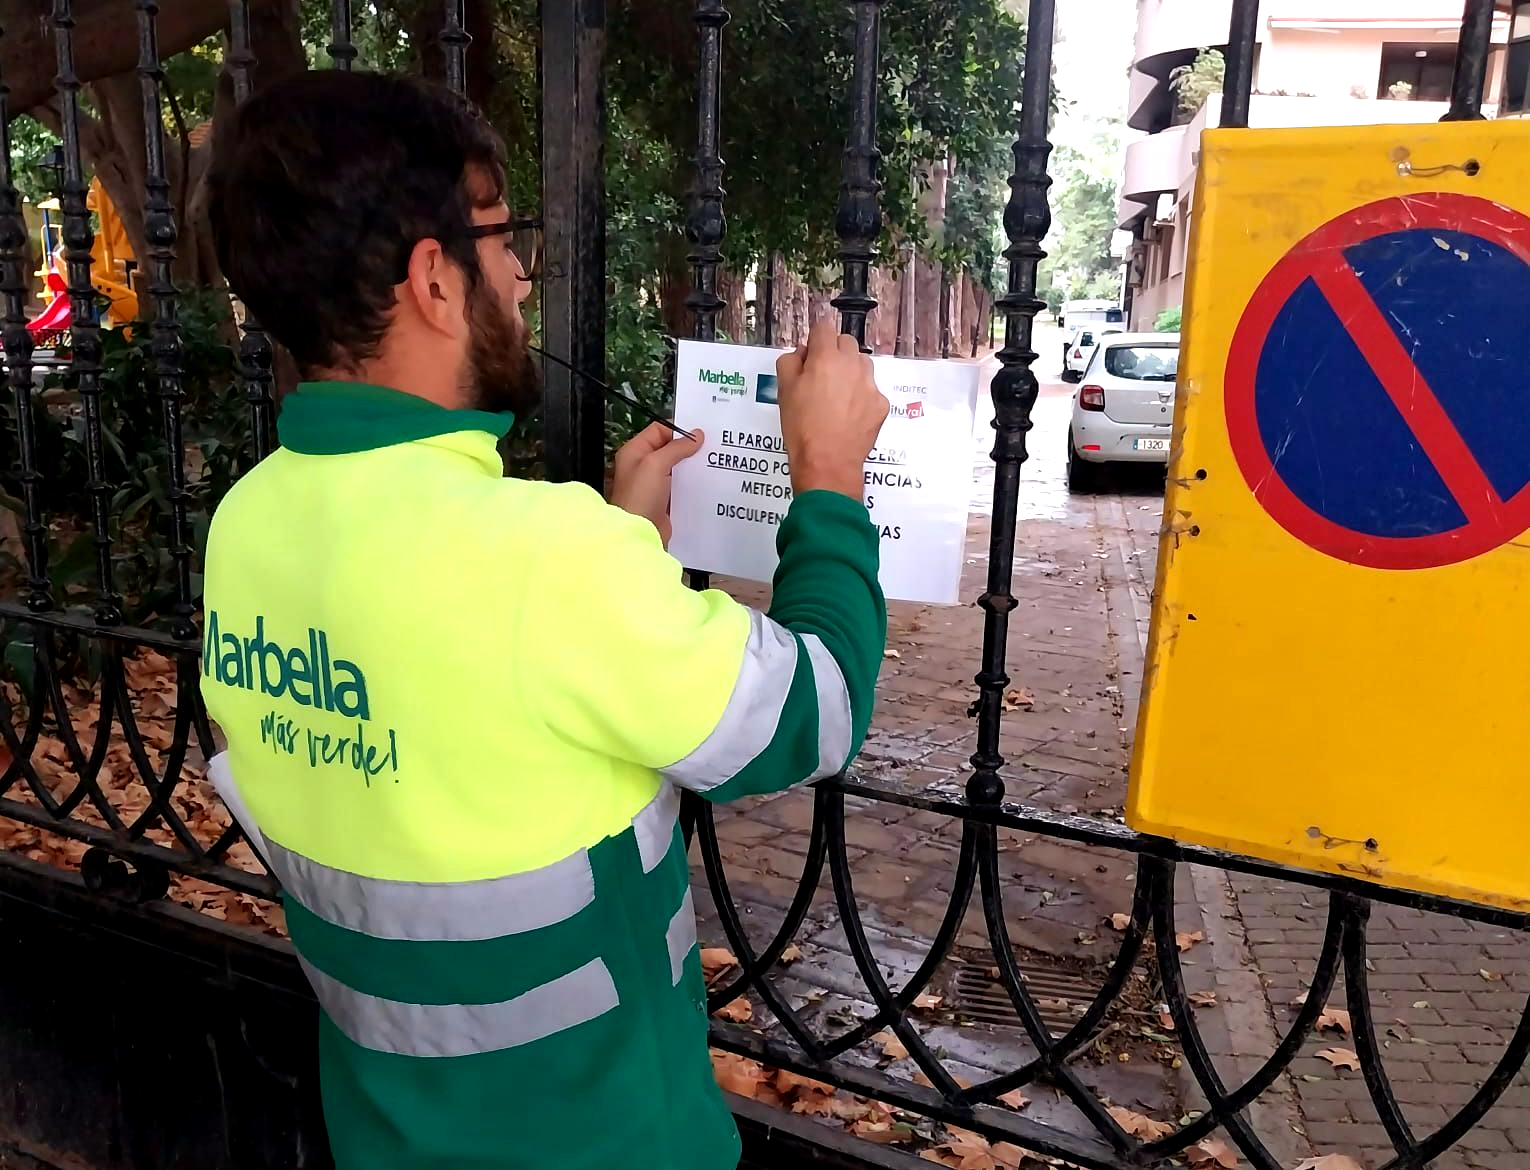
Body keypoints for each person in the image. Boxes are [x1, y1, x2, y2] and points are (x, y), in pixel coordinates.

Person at [200, 69, 889, 1170]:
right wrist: (830, 475)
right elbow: (818, 709)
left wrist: (625, 541)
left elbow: (468, 709)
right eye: (503, 237)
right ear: (435, 280)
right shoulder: (544, 560)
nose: (522, 273)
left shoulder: (246, 523)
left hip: (384, 1135)